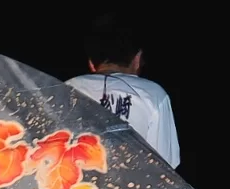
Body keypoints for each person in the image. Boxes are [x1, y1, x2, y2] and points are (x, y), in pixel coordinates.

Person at [66, 19, 180, 168]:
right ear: (137, 59)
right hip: (134, 180)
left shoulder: (68, 88)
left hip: (78, 180)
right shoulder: (153, 94)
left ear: (91, 63)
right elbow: (165, 164)